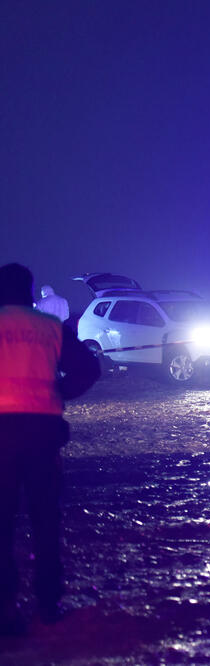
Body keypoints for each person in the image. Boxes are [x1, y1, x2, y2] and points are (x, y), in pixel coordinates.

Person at [0, 264, 100, 635]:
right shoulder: (49, 327)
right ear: (30, 291)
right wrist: (61, 391)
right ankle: (48, 601)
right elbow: (88, 368)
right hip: (42, 434)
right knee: (45, 520)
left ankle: (5, 607)